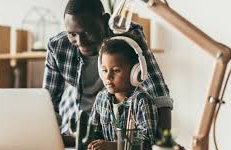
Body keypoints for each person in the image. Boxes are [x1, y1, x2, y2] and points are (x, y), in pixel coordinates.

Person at [43, 0, 172, 136]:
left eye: (87, 32)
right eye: (72, 34)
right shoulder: (56, 46)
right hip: (73, 133)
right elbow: (47, 103)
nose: (80, 42)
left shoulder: (126, 36)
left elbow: (157, 91)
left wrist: (164, 141)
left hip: (116, 136)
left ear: (105, 20)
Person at [87, 36, 158, 150]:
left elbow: (148, 142)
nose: (108, 76)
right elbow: (93, 133)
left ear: (135, 72)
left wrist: (114, 146)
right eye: (104, 70)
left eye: (116, 70)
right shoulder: (101, 98)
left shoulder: (141, 101)